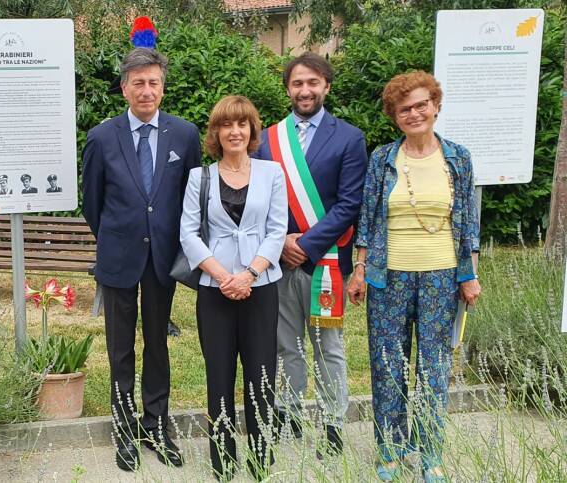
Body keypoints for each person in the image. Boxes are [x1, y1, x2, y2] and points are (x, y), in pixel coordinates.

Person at [347, 71, 481, 483]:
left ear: (436, 106)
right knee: (388, 365)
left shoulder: (457, 158)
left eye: (422, 104)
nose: (415, 113)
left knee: (434, 367)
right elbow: (367, 219)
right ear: (395, 116)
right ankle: (390, 449)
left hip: (442, 276)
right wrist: (359, 269)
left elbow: (469, 221)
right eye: (405, 108)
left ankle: (430, 453)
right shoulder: (384, 158)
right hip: (389, 277)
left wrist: (470, 274)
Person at [82, 47, 202, 472]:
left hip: (163, 259)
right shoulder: (101, 137)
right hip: (118, 256)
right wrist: (118, 236)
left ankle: (155, 423)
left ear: (162, 87)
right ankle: (123, 426)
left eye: (153, 82)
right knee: (120, 349)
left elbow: (192, 197)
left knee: (156, 344)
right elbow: (92, 203)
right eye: (138, 83)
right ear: (124, 89)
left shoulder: (184, 135)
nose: (146, 91)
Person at [252, 52, 368, 455]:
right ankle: (290, 413)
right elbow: (258, 199)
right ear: (288, 88)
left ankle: (334, 422)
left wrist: (306, 244)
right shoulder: (267, 139)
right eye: (298, 83)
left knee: (328, 349)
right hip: (279, 259)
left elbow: (350, 202)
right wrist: (282, 241)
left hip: (326, 262)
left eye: (313, 82)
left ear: (326, 86)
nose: (305, 90)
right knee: (288, 344)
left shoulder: (349, 137)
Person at [180, 96, 287, 480]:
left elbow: (277, 231)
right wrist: (225, 276)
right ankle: (222, 462)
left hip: (260, 287)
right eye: (227, 125)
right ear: (217, 133)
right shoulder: (199, 177)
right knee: (219, 376)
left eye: (242, 124)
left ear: (252, 130)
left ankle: (260, 460)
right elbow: (188, 234)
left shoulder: (272, 173)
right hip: (215, 289)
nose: (235, 132)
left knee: (261, 376)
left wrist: (250, 274)